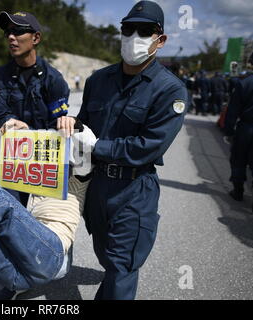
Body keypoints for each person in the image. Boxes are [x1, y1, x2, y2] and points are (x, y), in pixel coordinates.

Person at [62, 1, 188, 299]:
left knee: (122, 266)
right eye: (128, 29)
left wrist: (98, 146)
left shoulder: (170, 90)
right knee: (107, 257)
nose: (134, 37)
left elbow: (150, 146)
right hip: (96, 186)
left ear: (161, 39)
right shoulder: (98, 80)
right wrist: (70, 125)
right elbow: (84, 127)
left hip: (133, 190)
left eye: (145, 31)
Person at [0, 125, 96, 299]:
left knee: (0, 197)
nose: (50, 154)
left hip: (52, 256)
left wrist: (75, 123)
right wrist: (20, 130)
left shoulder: (79, 177)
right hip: (21, 272)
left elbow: (87, 143)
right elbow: (25, 148)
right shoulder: (38, 179)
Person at [0, 11, 71, 206]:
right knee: (10, 216)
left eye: (17, 31)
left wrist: (30, 133)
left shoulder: (54, 79)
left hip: (46, 161)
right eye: (8, 32)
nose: (11, 37)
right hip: (16, 161)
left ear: (35, 38)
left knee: (43, 225)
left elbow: (57, 125)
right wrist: (10, 123)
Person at [224, 45, 253, 214]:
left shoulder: (244, 83)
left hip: (246, 127)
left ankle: (238, 191)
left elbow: (232, 111)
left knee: (239, 159)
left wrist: (229, 131)